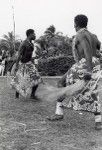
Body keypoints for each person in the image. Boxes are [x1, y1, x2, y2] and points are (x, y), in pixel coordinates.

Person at [47, 14, 102, 130]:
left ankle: (59, 113)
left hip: (86, 64)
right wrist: (95, 60)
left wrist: (89, 69)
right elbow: (98, 46)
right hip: (94, 64)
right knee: (92, 91)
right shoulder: (93, 35)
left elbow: (87, 49)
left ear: (75, 23)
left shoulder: (80, 34)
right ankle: (98, 122)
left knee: (63, 84)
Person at [12, 29, 41, 99]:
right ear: (30, 34)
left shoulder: (31, 43)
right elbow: (19, 55)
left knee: (37, 79)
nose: (35, 35)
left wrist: (34, 58)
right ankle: (17, 95)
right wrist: (16, 65)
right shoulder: (24, 43)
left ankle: (32, 95)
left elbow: (28, 55)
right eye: (34, 34)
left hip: (29, 64)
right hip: (23, 64)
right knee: (21, 81)